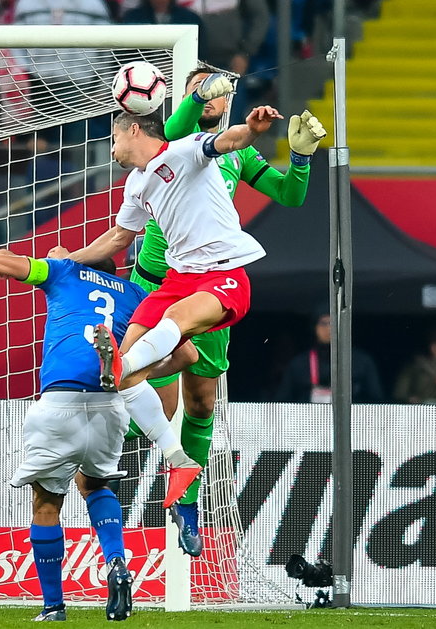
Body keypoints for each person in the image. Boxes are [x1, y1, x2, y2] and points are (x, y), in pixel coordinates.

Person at [125, 67, 325, 556]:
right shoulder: (172, 143)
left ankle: (186, 504)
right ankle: (102, 470)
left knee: (200, 405)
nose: (212, 95)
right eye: (199, 88)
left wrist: (300, 157)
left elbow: (291, 197)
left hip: (209, 283)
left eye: (219, 89)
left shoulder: (238, 154)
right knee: (152, 401)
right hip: (155, 284)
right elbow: (174, 130)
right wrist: (196, 97)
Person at [62, 103, 282, 520]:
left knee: (168, 330)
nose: (110, 151)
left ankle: (134, 360)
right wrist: (66, 263)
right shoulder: (135, 185)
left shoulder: (184, 150)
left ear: (132, 130)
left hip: (221, 274)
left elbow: (228, 140)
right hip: (177, 279)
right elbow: (116, 239)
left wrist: (252, 129)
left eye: (112, 139)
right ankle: (178, 459)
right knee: (123, 379)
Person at [0, 247, 200, 621]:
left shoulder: (62, 272)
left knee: (47, 503)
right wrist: (137, 373)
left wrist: (58, 260)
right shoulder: (137, 297)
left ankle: (53, 606)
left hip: (60, 401)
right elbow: (188, 356)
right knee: (96, 486)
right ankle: (117, 563)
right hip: (109, 404)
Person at [275, 309, 384, 403]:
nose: (328, 329)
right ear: (314, 328)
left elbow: (377, 401)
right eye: (323, 323)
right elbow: (282, 401)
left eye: (333, 323)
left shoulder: (362, 362)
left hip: (351, 424)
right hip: (308, 423)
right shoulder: (299, 364)